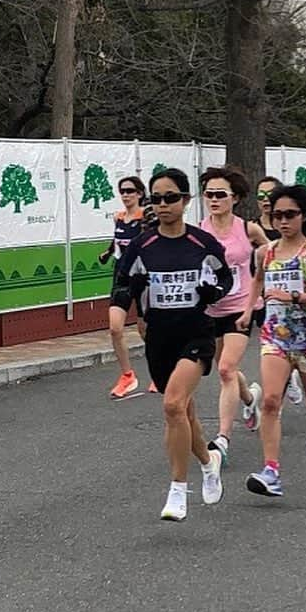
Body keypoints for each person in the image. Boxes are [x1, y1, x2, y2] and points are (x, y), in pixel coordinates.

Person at [118, 168, 231, 521]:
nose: (163, 205)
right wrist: (119, 312)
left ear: (185, 200)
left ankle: (178, 490)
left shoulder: (202, 243)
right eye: (157, 199)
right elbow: (125, 282)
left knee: (171, 406)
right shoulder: (143, 245)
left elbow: (224, 277)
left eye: (170, 198)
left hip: (195, 333)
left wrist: (212, 291)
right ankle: (208, 462)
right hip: (159, 338)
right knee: (185, 414)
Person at [240, 184, 306, 497]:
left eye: (290, 214)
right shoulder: (266, 251)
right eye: (276, 215)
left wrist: (294, 296)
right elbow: (257, 282)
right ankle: (271, 471)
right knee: (271, 401)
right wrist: (247, 312)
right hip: (275, 337)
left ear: (303, 216)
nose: (282, 221)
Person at [199, 165, 270, 465]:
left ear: (235, 198)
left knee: (227, 368)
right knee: (223, 368)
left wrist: (262, 286)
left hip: (241, 309)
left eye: (220, 195)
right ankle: (251, 399)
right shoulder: (199, 231)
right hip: (209, 309)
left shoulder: (247, 229)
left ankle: (223, 439)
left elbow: (273, 253)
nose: (213, 200)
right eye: (208, 194)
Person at [255, 174, 304, 407]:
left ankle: (284, 385)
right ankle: (274, 403)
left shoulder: (293, 228)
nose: (265, 200)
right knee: (270, 350)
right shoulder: (252, 228)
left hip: (294, 305)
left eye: (269, 195)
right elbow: (256, 269)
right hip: (266, 300)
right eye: (261, 196)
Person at [99, 175, 149, 399]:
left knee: (145, 330)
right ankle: (127, 375)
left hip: (143, 277)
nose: (126, 195)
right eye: (122, 191)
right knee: (115, 328)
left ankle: (160, 369)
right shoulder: (119, 217)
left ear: (139, 193)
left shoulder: (145, 217)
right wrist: (107, 253)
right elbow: (117, 240)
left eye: (130, 191)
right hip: (121, 275)